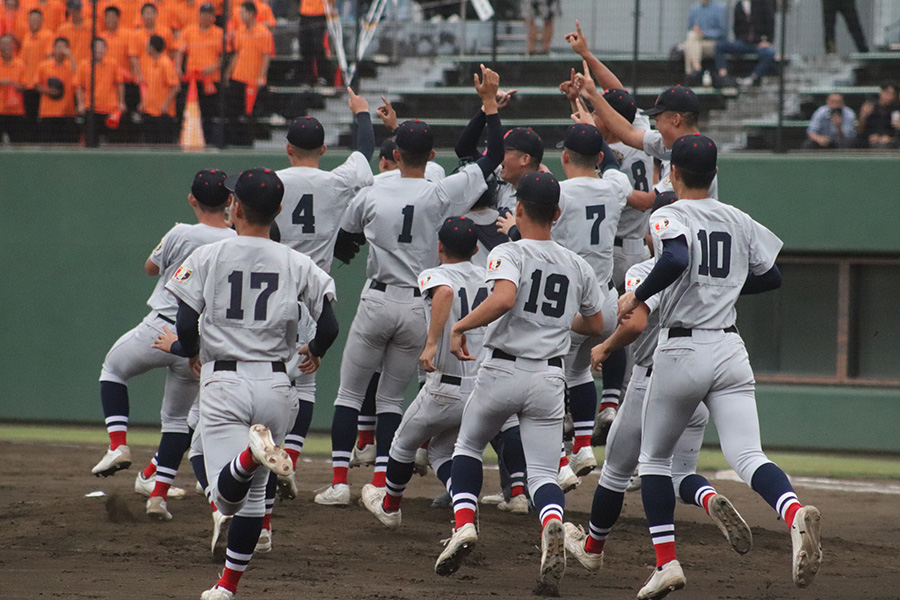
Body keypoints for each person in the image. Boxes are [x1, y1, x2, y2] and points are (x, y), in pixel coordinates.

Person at [617, 134, 822, 598]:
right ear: (713, 175)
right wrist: (725, 287)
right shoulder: (738, 218)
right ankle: (792, 514)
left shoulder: (669, 213)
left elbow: (675, 255)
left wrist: (638, 293)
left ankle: (666, 563)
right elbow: (771, 275)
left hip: (683, 348)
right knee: (748, 455)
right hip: (730, 349)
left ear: (673, 174)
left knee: (653, 460)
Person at [313, 65, 504, 507]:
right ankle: (381, 481)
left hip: (377, 298)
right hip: (421, 304)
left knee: (348, 392)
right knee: (391, 399)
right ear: (432, 154)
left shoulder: (373, 190)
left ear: (394, 153)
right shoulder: (440, 191)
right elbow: (492, 157)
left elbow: (345, 243)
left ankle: (341, 480)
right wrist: (490, 105)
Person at [163, 166, 339, 600]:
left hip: (226, 380)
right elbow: (331, 324)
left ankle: (247, 457)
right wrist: (314, 350)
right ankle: (227, 587)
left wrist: (188, 350)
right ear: (278, 209)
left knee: (227, 499)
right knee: (257, 502)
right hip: (278, 386)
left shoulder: (208, 256)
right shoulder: (299, 262)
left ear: (234, 207)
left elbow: (186, 321)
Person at [434, 171, 608, 596]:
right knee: (544, 473)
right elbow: (598, 323)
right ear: (559, 214)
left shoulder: (509, 251)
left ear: (521, 211)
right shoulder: (577, 263)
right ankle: (551, 522)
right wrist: (555, 323)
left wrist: (459, 327)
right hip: (550, 374)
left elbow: (505, 298)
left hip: (502, 369)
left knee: (468, 446)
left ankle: (463, 526)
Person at [563, 192, 753, 577]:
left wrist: (604, 346)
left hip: (656, 380)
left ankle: (594, 547)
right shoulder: (707, 275)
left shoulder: (643, 272)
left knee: (617, 472)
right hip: (705, 380)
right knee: (680, 473)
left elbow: (633, 324)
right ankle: (708, 495)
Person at [91, 169, 235, 523]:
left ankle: (118, 444)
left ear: (192, 200)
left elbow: (150, 267)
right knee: (176, 421)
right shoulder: (234, 239)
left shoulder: (181, 232)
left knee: (113, 369)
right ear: (230, 200)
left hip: (162, 328)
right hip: (200, 343)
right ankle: (157, 497)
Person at [271, 90, 375, 498]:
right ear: (324, 148)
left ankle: (270, 462)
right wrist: (362, 113)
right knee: (306, 386)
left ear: (288, 147)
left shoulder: (272, 182)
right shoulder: (336, 181)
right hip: (315, 292)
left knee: (269, 378)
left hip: (273, 288)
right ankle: (288, 463)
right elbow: (366, 152)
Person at [359, 216, 491, 528]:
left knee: (401, 444)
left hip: (445, 386)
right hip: (481, 388)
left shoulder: (435, 273)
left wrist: (432, 343)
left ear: (439, 246)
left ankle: (390, 506)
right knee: (444, 453)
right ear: (475, 248)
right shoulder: (488, 276)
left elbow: (445, 293)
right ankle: (464, 516)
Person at [224, 0, 273, 145]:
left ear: (251, 14)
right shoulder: (240, 31)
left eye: (243, 13)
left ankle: (247, 142)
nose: (241, 16)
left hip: (252, 80)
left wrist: (261, 76)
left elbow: (266, 56)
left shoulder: (263, 33)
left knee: (250, 114)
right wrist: (228, 72)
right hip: (238, 77)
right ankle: (234, 141)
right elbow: (237, 53)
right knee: (234, 112)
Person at [176, 2, 223, 145]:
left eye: (210, 14)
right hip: (192, 80)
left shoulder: (219, 33)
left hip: (211, 80)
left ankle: (208, 141)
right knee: (189, 110)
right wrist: (178, 68)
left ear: (214, 17)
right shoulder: (189, 31)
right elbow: (180, 52)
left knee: (208, 113)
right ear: (199, 15)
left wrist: (214, 67)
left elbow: (224, 57)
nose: (206, 17)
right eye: (204, 13)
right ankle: (187, 140)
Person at [714, 0, 776, 88]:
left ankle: (753, 77)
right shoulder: (739, 6)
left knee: (769, 53)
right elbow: (736, 27)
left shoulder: (762, 4)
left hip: (758, 43)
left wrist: (768, 41)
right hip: (743, 43)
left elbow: (770, 22)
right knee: (719, 46)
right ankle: (723, 75)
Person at [74, 36, 124, 143]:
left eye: (103, 48)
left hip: (109, 108)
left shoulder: (113, 64)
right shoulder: (83, 65)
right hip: (90, 108)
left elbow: (119, 84)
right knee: (91, 140)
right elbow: (79, 86)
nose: (100, 51)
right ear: (91, 50)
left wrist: (121, 102)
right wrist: (81, 103)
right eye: (97, 48)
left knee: (110, 140)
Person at [35, 35, 78, 142]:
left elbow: (78, 79)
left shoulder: (70, 66)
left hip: (67, 112)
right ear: (53, 49)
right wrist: (47, 91)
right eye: (58, 47)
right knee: (48, 143)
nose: (60, 50)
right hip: (48, 112)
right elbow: (36, 85)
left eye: (64, 48)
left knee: (68, 143)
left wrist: (71, 58)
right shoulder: (43, 66)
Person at [20, 8, 53, 140]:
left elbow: (49, 58)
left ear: (42, 21)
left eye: (36, 19)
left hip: (40, 84)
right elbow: (23, 61)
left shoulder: (48, 35)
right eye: (31, 19)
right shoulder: (26, 36)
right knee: (29, 117)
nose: (33, 22)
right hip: (27, 83)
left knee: (42, 117)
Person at [138, 34, 178, 143]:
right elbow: (150, 87)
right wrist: (144, 103)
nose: (146, 48)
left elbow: (175, 86)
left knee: (162, 144)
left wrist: (165, 104)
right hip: (150, 110)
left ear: (152, 47)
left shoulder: (165, 63)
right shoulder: (151, 63)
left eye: (148, 45)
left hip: (162, 112)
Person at [683, 0, 727, 85]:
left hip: (713, 43)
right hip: (697, 43)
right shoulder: (694, 8)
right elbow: (690, 28)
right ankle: (696, 68)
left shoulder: (720, 8)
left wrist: (704, 34)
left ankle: (690, 74)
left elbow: (722, 32)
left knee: (689, 45)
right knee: (691, 38)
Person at [856, 82, 899, 149]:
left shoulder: (896, 109)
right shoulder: (870, 106)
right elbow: (859, 129)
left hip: (890, 140)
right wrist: (863, 116)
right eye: (887, 93)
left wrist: (890, 138)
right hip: (870, 138)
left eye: (892, 94)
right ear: (881, 93)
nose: (889, 97)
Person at [0, 32, 25, 142]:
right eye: (4, 44)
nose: (7, 47)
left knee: (17, 142)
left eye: (9, 44)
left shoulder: (20, 64)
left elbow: (24, 85)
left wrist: (14, 84)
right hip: (0, 110)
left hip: (16, 110)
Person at [297, 0, 328, 86]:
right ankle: (307, 77)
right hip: (304, 14)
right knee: (304, 46)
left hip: (319, 13)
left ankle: (322, 76)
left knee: (318, 45)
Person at [57, 0, 91, 66]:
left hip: (86, 66)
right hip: (68, 67)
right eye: (74, 10)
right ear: (69, 11)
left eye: (78, 9)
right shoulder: (63, 29)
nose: (76, 12)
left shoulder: (91, 26)